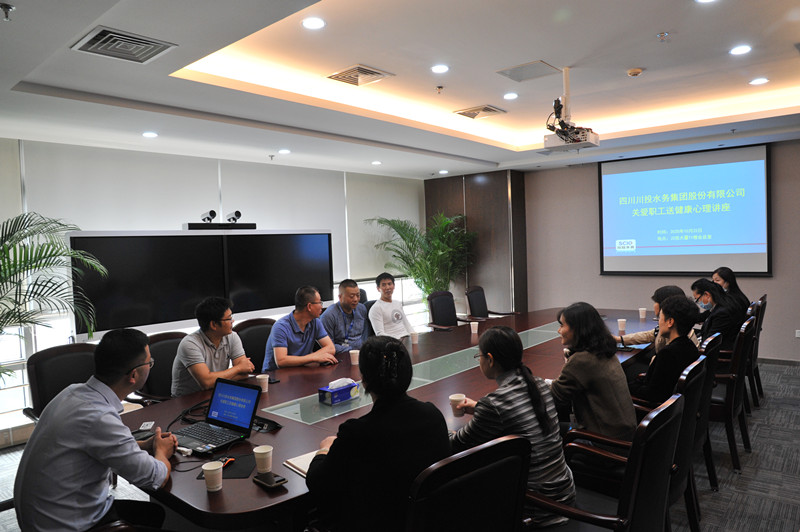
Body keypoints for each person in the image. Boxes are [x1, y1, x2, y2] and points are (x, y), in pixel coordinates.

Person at [14, 329, 178, 532]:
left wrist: (144, 445)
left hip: (44, 515)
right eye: (149, 362)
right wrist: (162, 451)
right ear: (134, 375)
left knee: (154, 513)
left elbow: (93, 445)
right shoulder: (98, 416)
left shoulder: (72, 392)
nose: (151, 366)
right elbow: (155, 477)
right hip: (66, 526)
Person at [305, 336, 450, 532]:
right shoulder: (433, 415)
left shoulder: (356, 432)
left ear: (364, 380)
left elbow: (317, 484)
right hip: (424, 522)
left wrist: (324, 450)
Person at [451, 326, 576, 528]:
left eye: (479, 356)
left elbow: (457, 445)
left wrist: (439, 429)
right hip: (564, 492)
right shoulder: (539, 384)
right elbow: (514, 412)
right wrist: (479, 408)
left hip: (537, 506)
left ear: (490, 359)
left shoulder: (494, 404)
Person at [550, 302, 637, 440]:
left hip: (605, 442)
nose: (559, 331)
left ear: (577, 329)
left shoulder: (582, 360)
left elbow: (554, 397)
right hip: (625, 434)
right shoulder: (604, 350)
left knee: (544, 431)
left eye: (562, 325)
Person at [171, 296, 254, 396]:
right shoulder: (190, 344)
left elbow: (245, 373)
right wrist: (238, 369)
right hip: (187, 400)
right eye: (229, 318)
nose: (233, 321)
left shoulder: (232, 336)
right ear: (213, 325)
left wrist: (215, 379)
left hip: (216, 393)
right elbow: (206, 383)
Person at [614, 285, 700, 381]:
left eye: (656, 302)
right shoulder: (684, 337)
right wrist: (619, 339)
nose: (654, 305)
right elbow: (651, 334)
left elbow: (655, 385)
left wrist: (654, 361)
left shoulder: (670, 351)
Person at [628, 295, 701, 404]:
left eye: (660, 318)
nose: (659, 322)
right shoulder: (690, 347)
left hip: (656, 410)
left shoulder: (668, 354)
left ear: (670, 322)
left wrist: (627, 387)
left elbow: (652, 394)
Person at [262, 285, 336, 371]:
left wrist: (310, 358)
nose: (321, 306)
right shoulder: (280, 327)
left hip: (301, 370)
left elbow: (331, 348)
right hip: (275, 375)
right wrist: (313, 358)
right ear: (309, 306)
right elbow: (281, 361)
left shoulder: (315, 322)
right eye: (319, 302)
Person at [691, 278, 742, 351]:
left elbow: (710, 342)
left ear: (707, 294)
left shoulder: (722, 313)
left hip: (719, 352)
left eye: (698, 299)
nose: (698, 302)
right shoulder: (720, 304)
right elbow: (701, 317)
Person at [321, 279, 369, 355]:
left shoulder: (361, 309)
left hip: (362, 353)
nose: (355, 299)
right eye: (351, 296)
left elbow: (365, 334)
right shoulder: (329, 316)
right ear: (340, 297)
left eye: (358, 295)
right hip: (341, 354)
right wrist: (352, 350)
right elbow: (328, 346)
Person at [368, 272, 415, 339]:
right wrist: (397, 341)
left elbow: (407, 324)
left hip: (406, 338)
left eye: (389, 284)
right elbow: (380, 334)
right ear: (378, 288)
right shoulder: (376, 308)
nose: (387, 287)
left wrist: (415, 337)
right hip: (392, 342)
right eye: (384, 285)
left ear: (394, 286)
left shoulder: (397, 303)